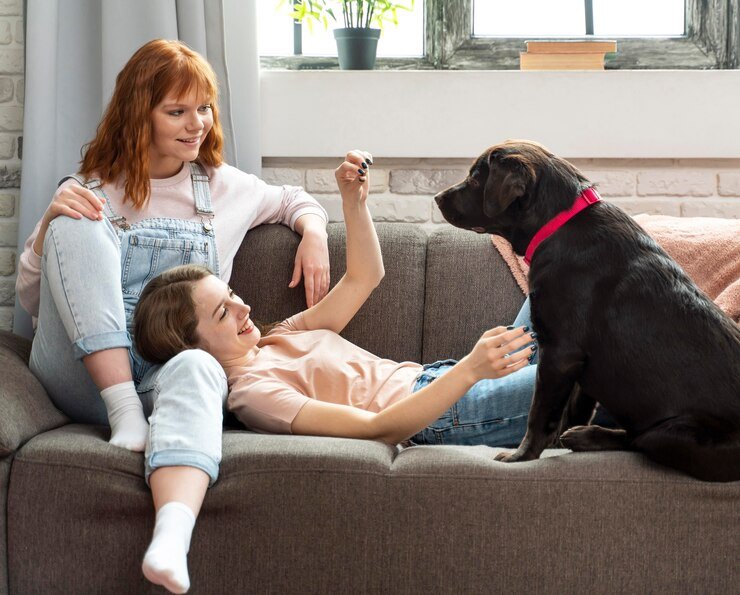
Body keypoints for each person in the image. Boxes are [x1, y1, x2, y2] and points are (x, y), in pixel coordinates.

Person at [133, 149, 538, 591]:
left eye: (231, 294)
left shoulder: (279, 334)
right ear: (192, 346)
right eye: (222, 313)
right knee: (589, 380)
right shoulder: (254, 393)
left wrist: (353, 201)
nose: (243, 307)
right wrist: (470, 370)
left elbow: (365, 276)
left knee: (566, 273)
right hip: (444, 415)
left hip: (442, 381)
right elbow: (379, 428)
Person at [15, 39, 330, 593]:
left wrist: (315, 233)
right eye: (177, 111)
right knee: (72, 213)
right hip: (83, 376)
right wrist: (46, 231)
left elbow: (294, 200)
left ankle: (171, 538)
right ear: (141, 113)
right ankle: (124, 413)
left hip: (162, 375)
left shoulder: (226, 188)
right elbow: (33, 302)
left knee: (202, 369)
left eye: (204, 108)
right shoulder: (95, 189)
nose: (196, 125)